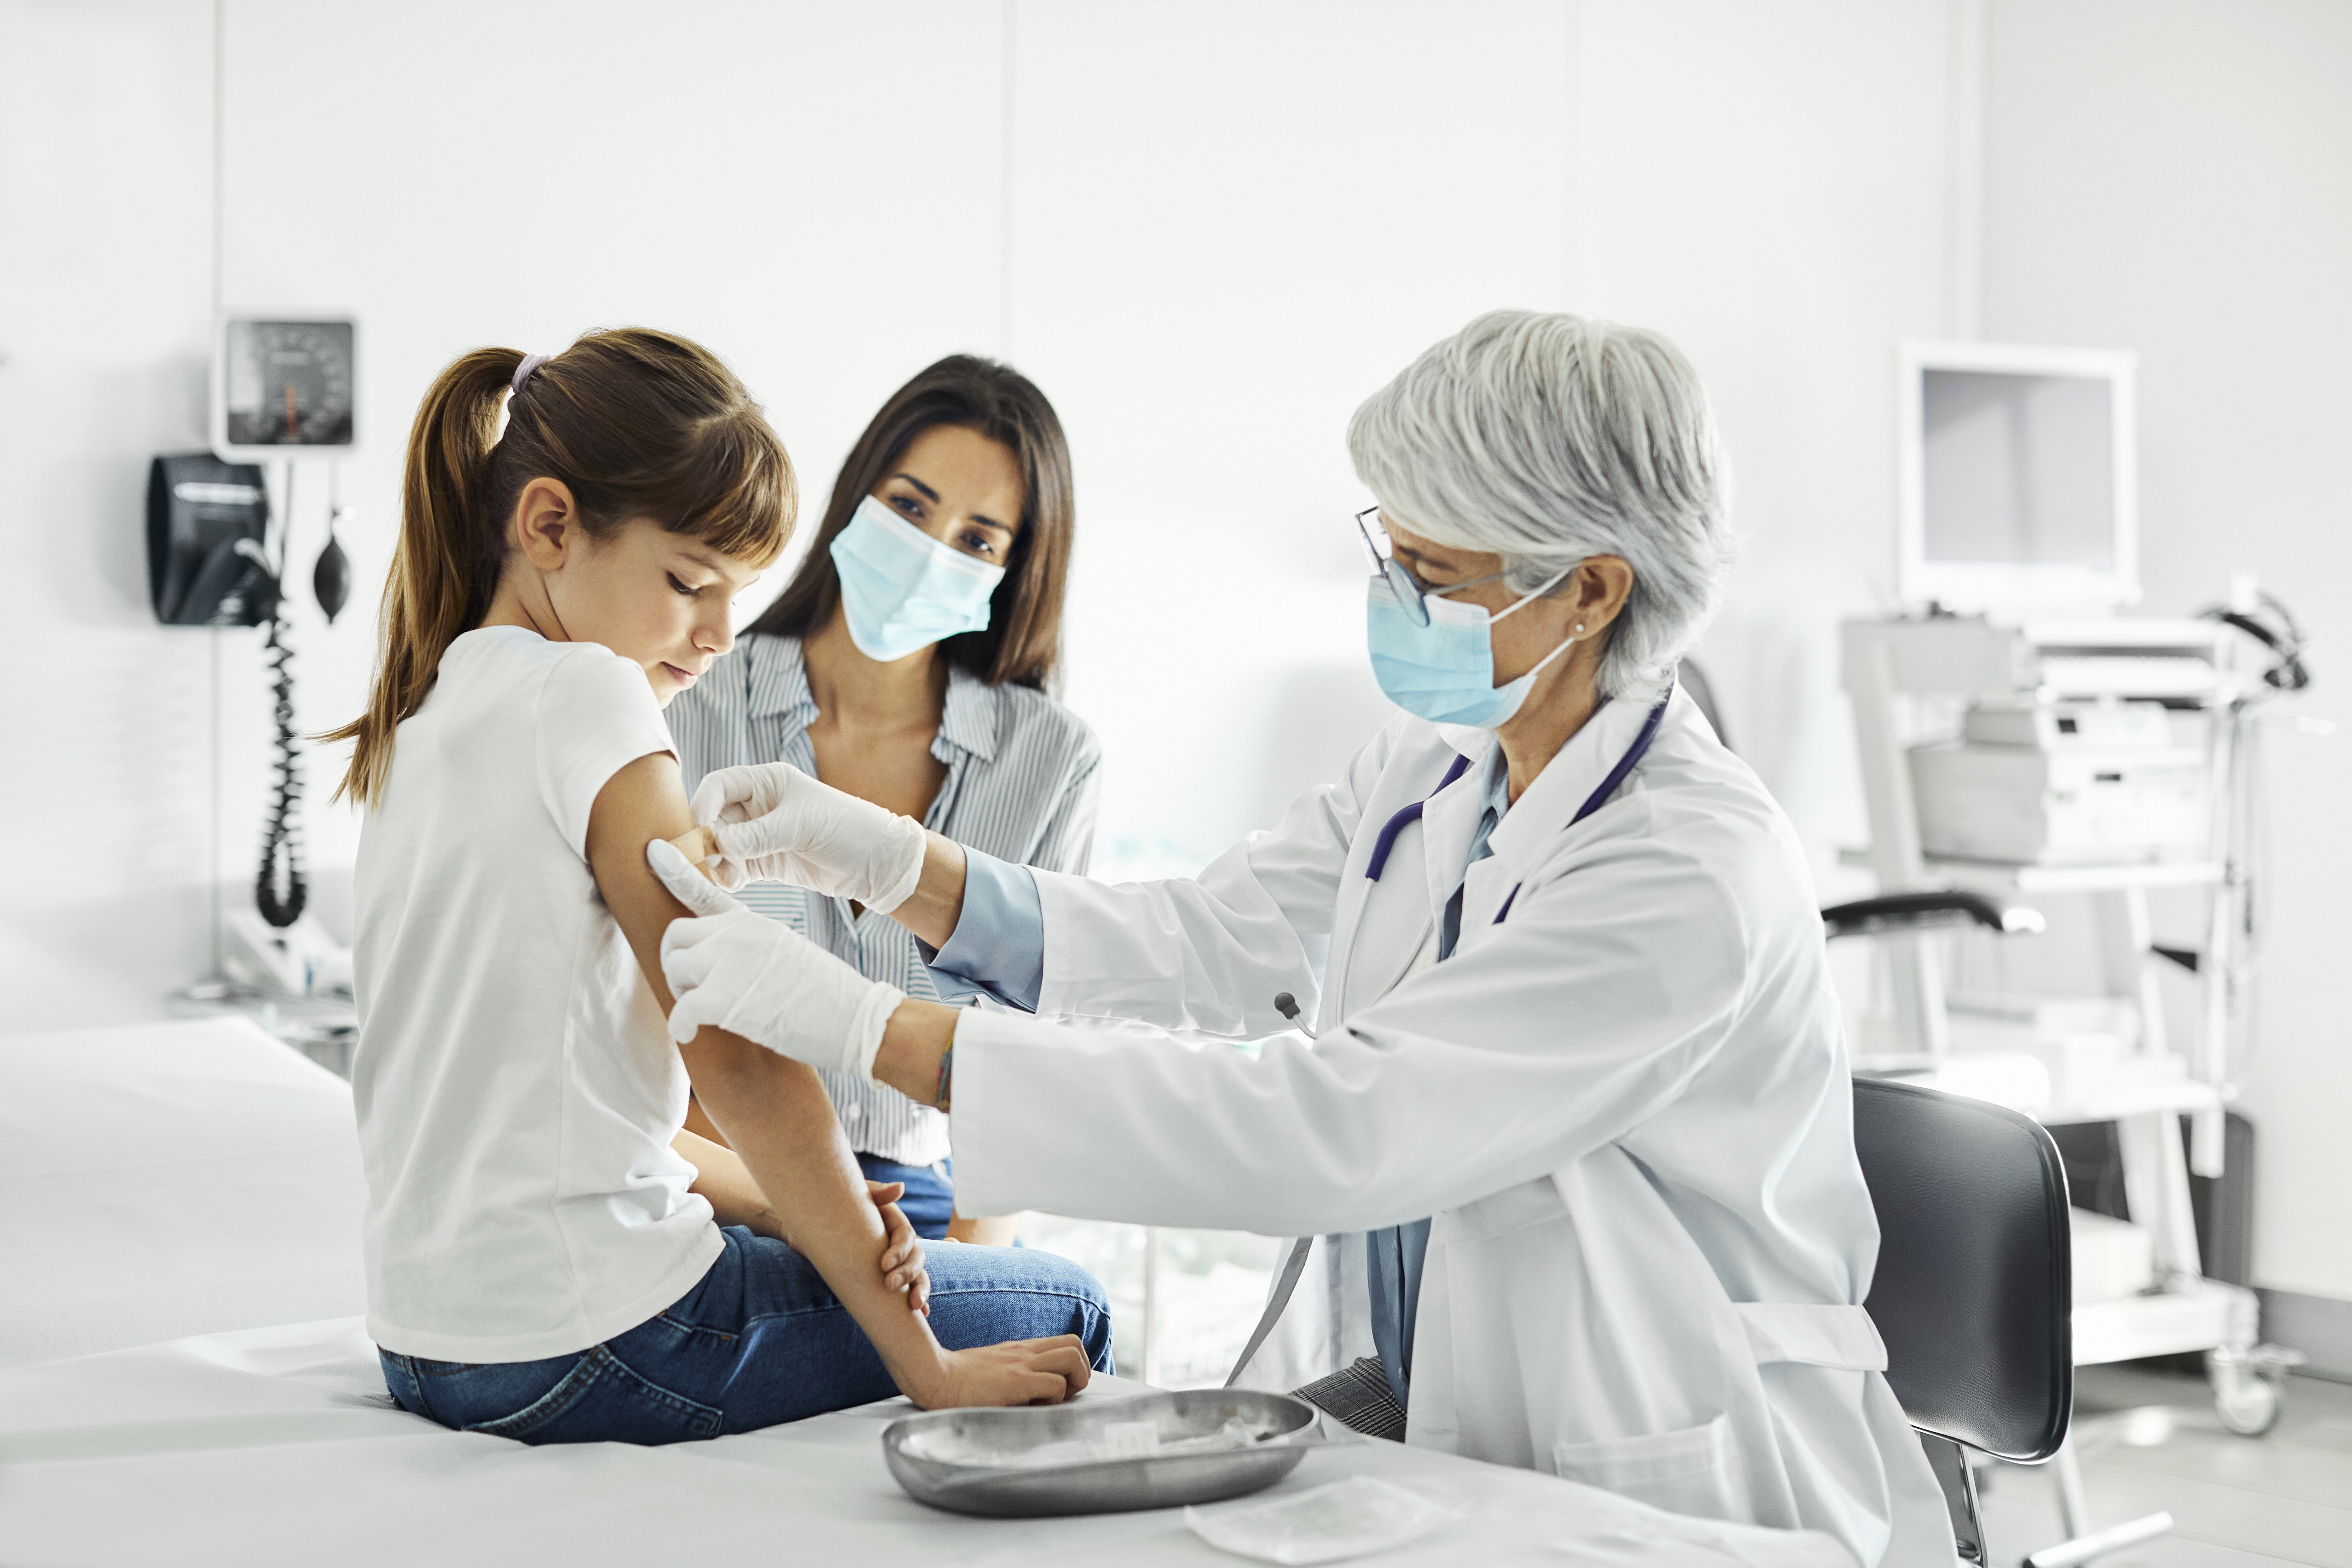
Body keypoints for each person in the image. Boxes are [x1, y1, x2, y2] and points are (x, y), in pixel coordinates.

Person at [641, 310, 1951, 1563]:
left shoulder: (1686, 869)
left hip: (1671, 1456)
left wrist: (867, 1028)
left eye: (1432, 576)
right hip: (1452, 1391)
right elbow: (1208, 937)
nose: (1392, 594)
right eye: (1394, 551)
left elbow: (1338, 1127)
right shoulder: (1440, 767)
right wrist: (890, 863)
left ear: (1591, 592)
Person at [330, 328, 1110, 1445]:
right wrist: (925, 1364)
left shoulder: (426, 713)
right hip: (596, 1331)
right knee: (1069, 1303)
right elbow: (734, 1039)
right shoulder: (595, 694)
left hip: (431, 1345)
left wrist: (775, 1207)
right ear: (548, 525)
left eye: (736, 593)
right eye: (692, 584)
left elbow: (546, 1100)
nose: (714, 635)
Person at [666, 355, 1090, 1245]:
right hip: (712, 1179)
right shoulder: (693, 695)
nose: (932, 551)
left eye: (978, 539)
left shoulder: (1052, 760)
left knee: (1069, 1326)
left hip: (923, 1202)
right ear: (859, 497)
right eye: (910, 506)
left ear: (1012, 570)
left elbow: (1029, 1066)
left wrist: (972, 1284)